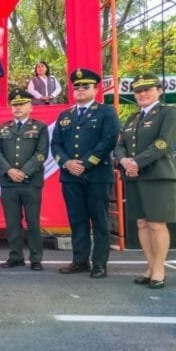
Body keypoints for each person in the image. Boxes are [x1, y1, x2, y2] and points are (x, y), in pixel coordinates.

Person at [114, 73, 176, 289]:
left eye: (148, 89)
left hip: (158, 176)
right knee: (142, 223)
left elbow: (165, 142)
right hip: (134, 176)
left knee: (156, 223)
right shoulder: (133, 118)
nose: (142, 94)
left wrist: (136, 162)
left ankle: (160, 269)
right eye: (138, 91)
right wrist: (124, 160)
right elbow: (120, 144)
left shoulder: (169, 112)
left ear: (159, 90)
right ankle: (150, 266)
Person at [52, 68, 120, 279]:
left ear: (95, 89)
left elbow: (108, 140)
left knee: (99, 220)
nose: (80, 89)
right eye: (77, 87)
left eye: (85, 86)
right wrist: (66, 163)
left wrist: (85, 163)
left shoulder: (106, 112)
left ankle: (99, 264)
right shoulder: (65, 115)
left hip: (97, 175)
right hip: (70, 175)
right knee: (77, 220)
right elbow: (56, 145)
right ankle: (80, 261)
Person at [0, 89, 49, 271]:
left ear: (30, 107)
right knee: (12, 222)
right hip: (8, 182)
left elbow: (41, 154)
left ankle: (35, 258)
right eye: (14, 105)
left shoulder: (39, 127)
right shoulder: (3, 128)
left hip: (30, 182)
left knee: (33, 221)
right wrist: (9, 171)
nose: (17, 108)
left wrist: (23, 172)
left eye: (21, 104)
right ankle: (15, 256)